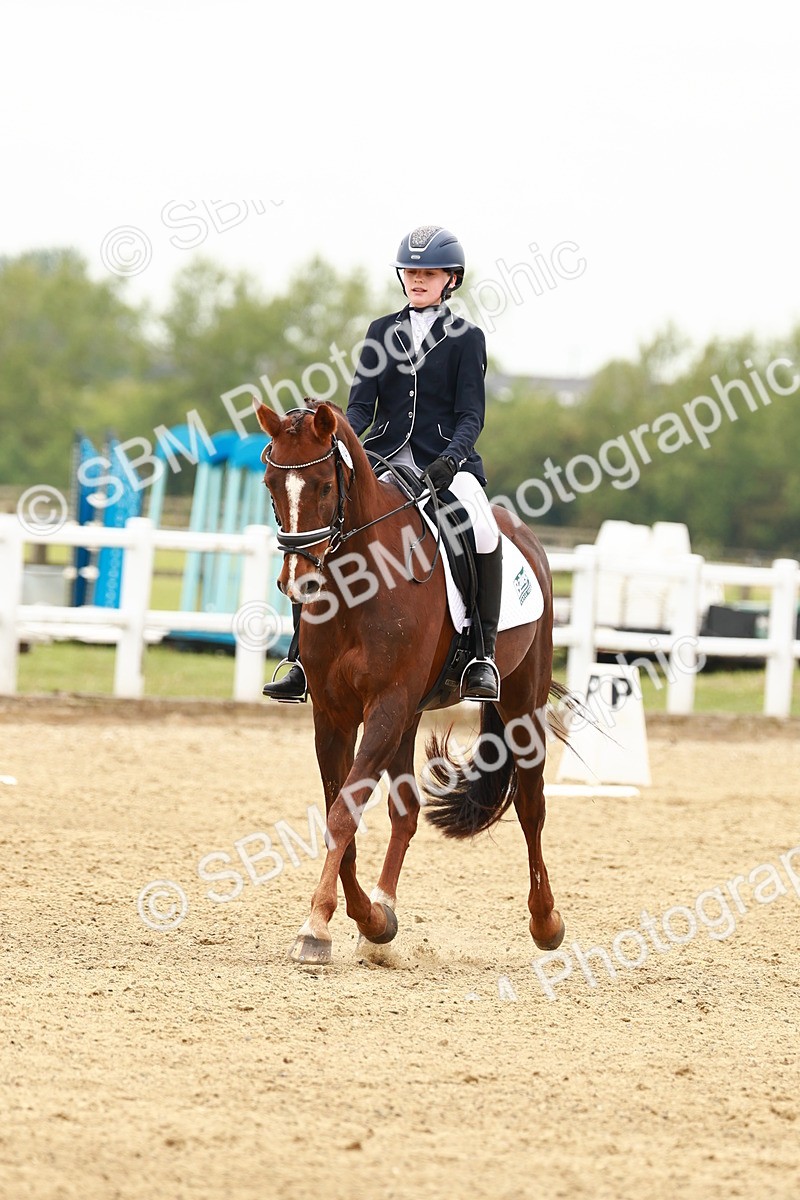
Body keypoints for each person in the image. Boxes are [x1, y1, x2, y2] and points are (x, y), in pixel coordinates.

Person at [263, 225, 502, 703]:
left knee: (482, 530)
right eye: (411, 272)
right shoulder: (381, 332)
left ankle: (481, 654)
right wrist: (331, 438)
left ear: (451, 279)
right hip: (382, 458)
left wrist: (451, 460)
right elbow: (359, 410)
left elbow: (470, 416)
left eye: (429, 273)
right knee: (320, 528)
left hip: (446, 465)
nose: (418, 280)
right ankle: (301, 659)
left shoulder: (466, 338)